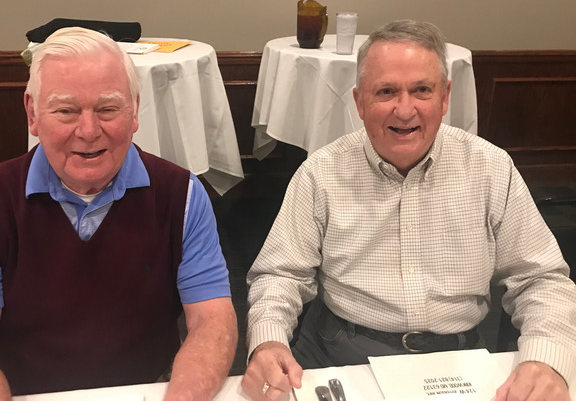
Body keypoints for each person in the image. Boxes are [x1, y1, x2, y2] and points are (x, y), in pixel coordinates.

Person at [242, 20, 576, 401]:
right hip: (340, 356)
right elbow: (279, 276)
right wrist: (268, 342)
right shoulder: (320, 173)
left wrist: (547, 359)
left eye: (421, 90)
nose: (404, 110)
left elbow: (541, 280)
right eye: (386, 91)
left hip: (458, 363)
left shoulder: (491, 169)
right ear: (359, 102)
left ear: (445, 97)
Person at [0, 27, 238, 400]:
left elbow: (212, 320)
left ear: (135, 111)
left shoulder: (182, 196)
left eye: (108, 109)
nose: (89, 130)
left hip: (147, 390)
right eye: (66, 111)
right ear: (32, 113)